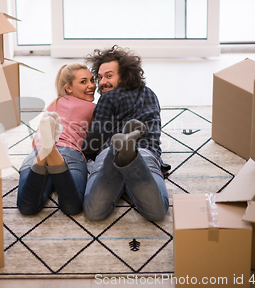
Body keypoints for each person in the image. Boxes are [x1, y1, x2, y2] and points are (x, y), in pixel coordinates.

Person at [82, 45, 169, 222]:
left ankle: (118, 150)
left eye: (109, 76)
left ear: (125, 75)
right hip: (146, 153)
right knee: (158, 212)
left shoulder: (108, 98)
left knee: (94, 212)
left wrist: (83, 153)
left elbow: (96, 138)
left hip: (108, 153)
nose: (102, 82)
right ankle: (130, 156)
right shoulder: (150, 94)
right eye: (99, 77)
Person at [17, 63, 96, 216]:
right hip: (70, 152)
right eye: (83, 81)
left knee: (27, 208)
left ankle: (48, 149)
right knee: (72, 207)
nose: (92, 85)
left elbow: (34, 141)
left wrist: (43, 148)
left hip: (37, 152)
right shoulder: (92, 107)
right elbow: (98, 138)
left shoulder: (53, 104)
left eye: (92, 80)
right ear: (69, 88)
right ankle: (52, 151)